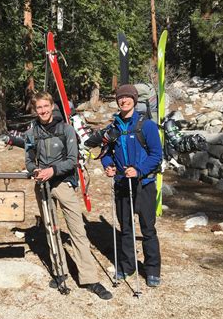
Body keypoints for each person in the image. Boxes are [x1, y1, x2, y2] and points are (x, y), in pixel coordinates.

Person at [25, 91, 113, 300]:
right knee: (51, 229)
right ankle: (60, 272)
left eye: (46, 106)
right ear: (35, 110)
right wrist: (34, 171)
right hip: (42, 186)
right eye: (39, 108)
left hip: (63, 184)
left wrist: (52, 171)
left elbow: (72, 159)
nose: (43, 111)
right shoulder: (31, 133)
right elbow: (28, 160)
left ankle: (89, 279)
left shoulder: (66, 129)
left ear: (52, 106)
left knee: (77, 230)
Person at [101, 84, 162, 287]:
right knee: (126, 227)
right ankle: (128, 266)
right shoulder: (113, 127)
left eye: (128, 97)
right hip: (121, 183)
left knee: (147, 228)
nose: (124, 100)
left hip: (143, 183)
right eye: (120, 98)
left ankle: (152, 269)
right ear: (117, 101)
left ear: (135, 100)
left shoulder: (147, 126)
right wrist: (108, 166)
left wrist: (139, 170)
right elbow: (106, 153)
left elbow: (156, 155)